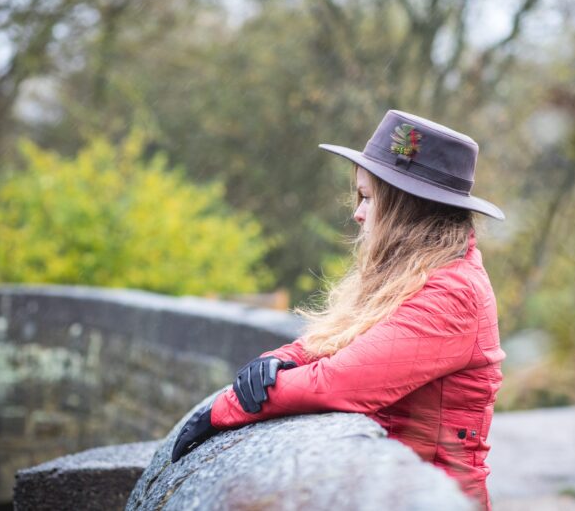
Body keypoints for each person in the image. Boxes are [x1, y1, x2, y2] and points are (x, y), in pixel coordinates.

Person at [172, 110, 506, 510]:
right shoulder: (417, 272)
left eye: (368, 198)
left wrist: (228, 408)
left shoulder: (453, 293)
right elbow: (349, 337)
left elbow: (340, 382)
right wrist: (282, 358)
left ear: (406, 209)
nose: (358, 213)